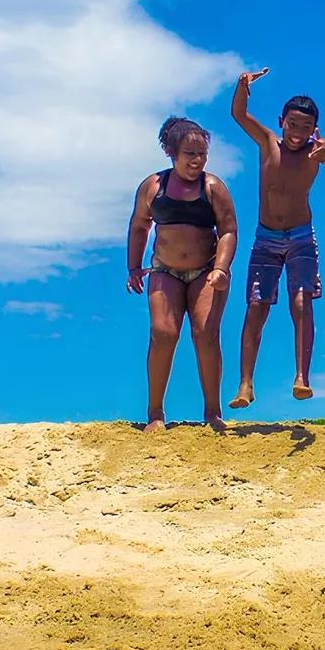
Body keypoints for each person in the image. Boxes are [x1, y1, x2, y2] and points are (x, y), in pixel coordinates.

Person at [227, 69, 325, 407]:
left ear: (313, 130)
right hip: (266, 238)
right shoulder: (267, 143)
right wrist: (242, 86)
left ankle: (302, 377)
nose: (297, 133)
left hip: (302, 237)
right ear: (281, 122)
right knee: (256, 307)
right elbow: (239, 115)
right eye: (292, 125)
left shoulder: (315, 150)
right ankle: (245, 384)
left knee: (301, 303)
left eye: (306, 128)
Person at [125, 116, 239, 432]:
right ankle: (155, 413)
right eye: (190, 154)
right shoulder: (153, 187)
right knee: (163, 334)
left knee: (205, 333)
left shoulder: (213, 187)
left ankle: (213, 412)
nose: (197, 160)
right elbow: (139, 226)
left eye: (202, 154)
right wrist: (133, 267)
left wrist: (221, 268)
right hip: (165, 271)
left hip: (207, 271)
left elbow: (228, 230)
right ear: (171, 153)